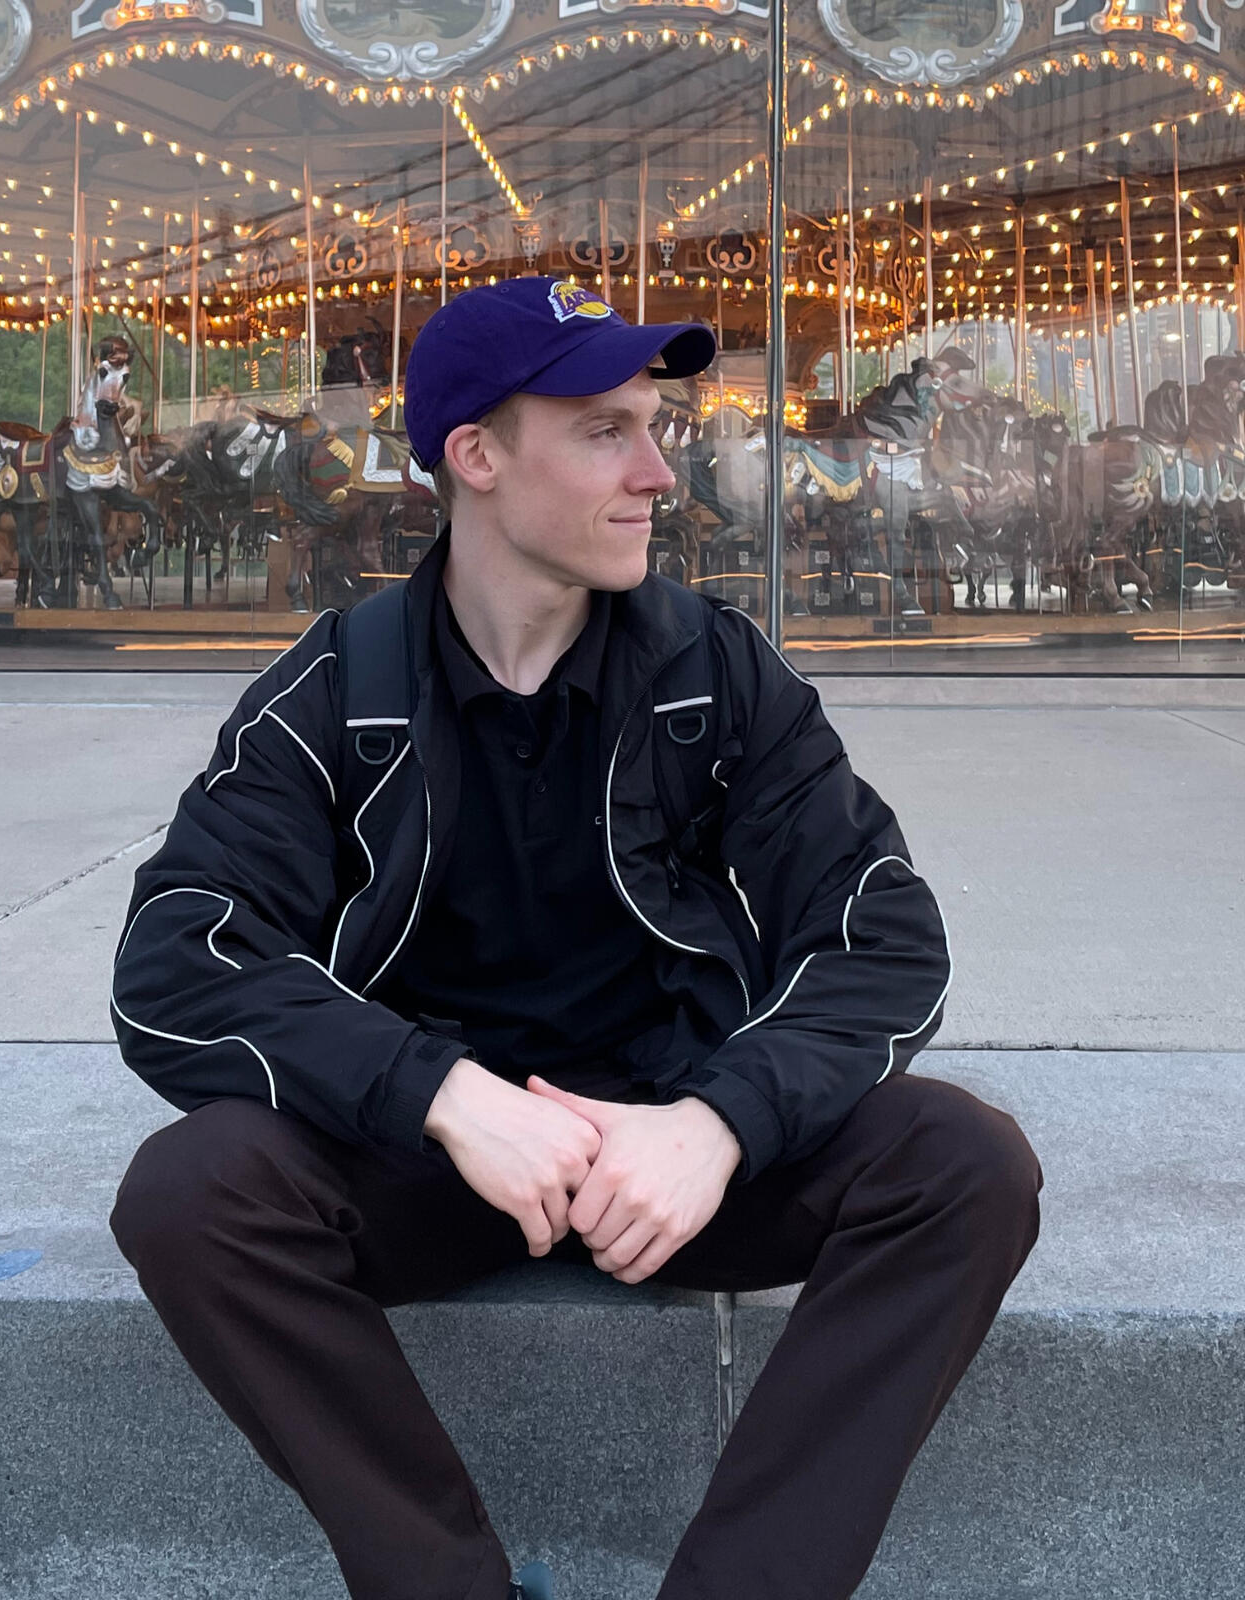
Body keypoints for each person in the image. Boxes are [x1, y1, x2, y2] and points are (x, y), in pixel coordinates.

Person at [108, 277, 1042, 1600]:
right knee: (190, 1192)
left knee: (966, 1164)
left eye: (655, 428)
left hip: (671, 1162)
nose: (659, 473)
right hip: (430, 1161)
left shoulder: (718, 673)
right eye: (606, 431)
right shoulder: (338, 686)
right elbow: (176, 961)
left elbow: (879, 933)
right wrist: (442, 1095)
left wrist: (717, 1123)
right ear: (478, 457)